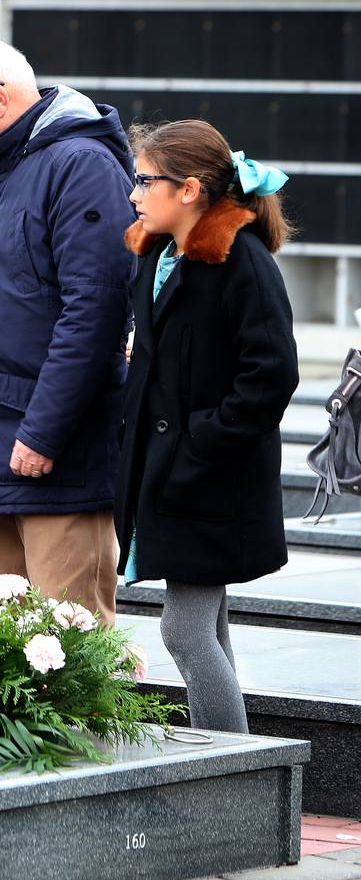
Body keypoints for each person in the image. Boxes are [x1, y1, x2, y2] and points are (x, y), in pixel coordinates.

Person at [0, 36, 133, 623]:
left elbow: (93, 314)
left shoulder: (80, 165)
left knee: (70, 658)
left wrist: (43, 433)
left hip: (52, 454)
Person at [116, 120, 297, 732]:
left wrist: (200, 441)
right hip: (168, 472)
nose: (135, 194)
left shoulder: (241, 259)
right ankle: (236, 771)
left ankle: (225, 775)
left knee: (184, 630)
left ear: (189, 189)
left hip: (210, 477)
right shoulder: (155, 255)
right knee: (207, 626)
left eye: (144, 181)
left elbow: (270, 375)